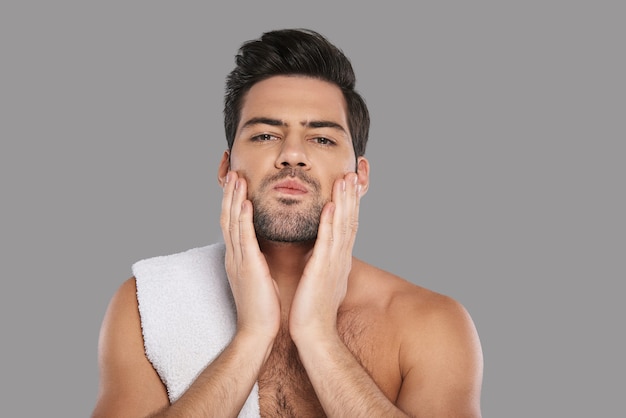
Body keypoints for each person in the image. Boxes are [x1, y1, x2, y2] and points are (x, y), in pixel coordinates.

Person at [91, 28, 483, 417]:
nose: (292, 154)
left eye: (323, 140)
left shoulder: (431, 325)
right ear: (226, 168)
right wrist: (252, 336)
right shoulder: (149, 304)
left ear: (360, 177)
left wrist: (318, 336)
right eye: (264, 135)